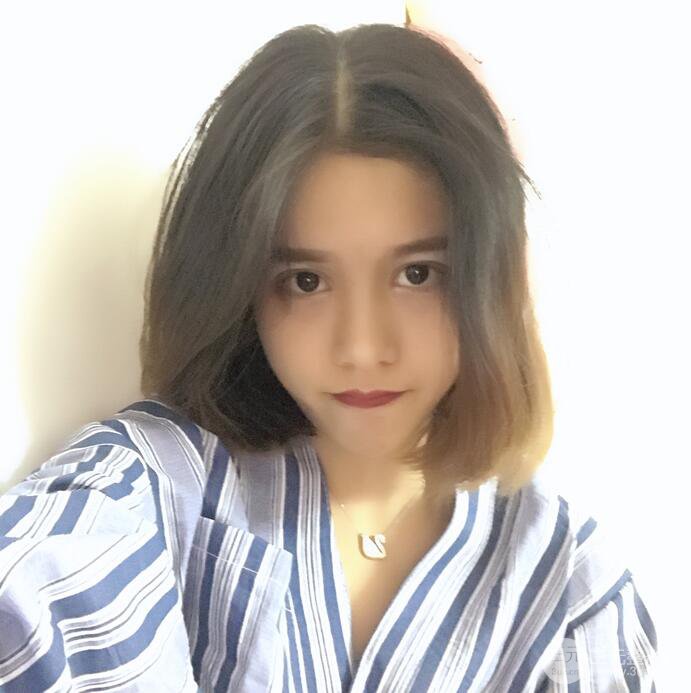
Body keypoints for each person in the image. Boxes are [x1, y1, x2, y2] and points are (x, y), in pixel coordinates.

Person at [0, 22, 657, 692]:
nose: (362, 348)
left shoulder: (568, 590)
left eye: (418, 274)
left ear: (490, 276)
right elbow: (39, 592)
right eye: (307, 281)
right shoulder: (157, 486)